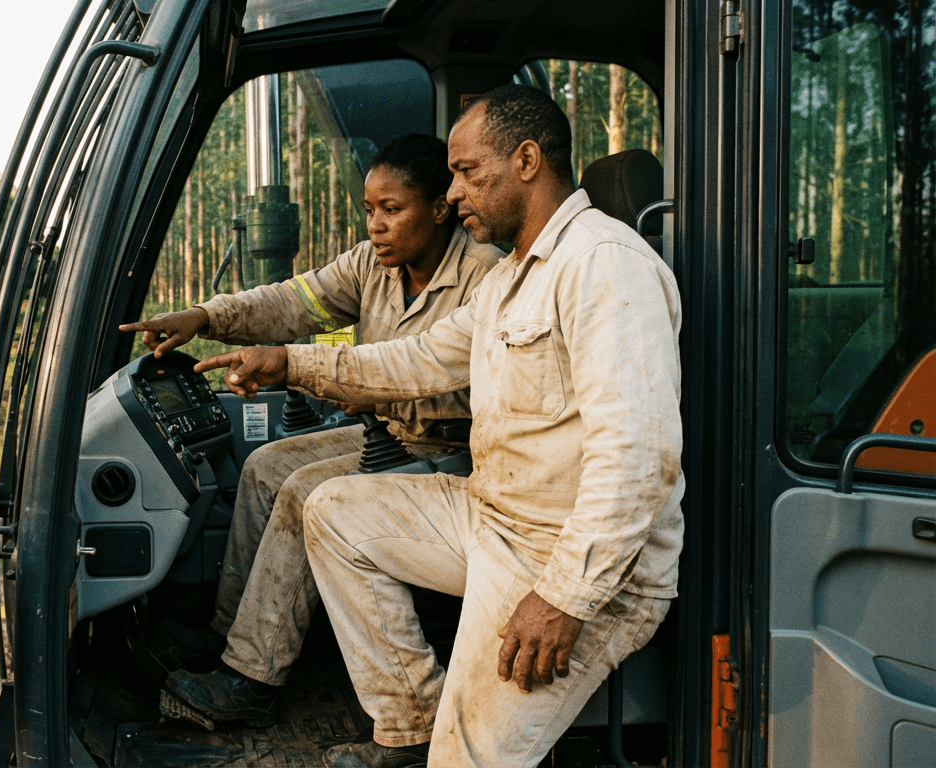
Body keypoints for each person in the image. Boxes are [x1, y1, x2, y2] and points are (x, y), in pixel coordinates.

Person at [195, 84, 683, 767]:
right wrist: (287, 363)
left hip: (573, 564)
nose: (452, 195)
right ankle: (411, 720)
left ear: (527, 160)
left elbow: (639, 458)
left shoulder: (604, 265)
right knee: (331, 508)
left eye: (467, 172)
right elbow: (418, 360)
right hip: (494, 516)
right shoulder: (516, 275)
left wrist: (564, 600)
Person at [119, 134, 502, 728]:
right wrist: (206, 317)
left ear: (439, 207)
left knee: (303, 494)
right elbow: (295, 303)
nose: (376, 225)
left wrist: (312, 371)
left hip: (451, 451)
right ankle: (230, 636)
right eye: (370, 211)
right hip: (391, 436)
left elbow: (426, 373)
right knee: (267, 466)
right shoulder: (371, 267)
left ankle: (252, 679)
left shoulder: (484, 276)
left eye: (392, 210)